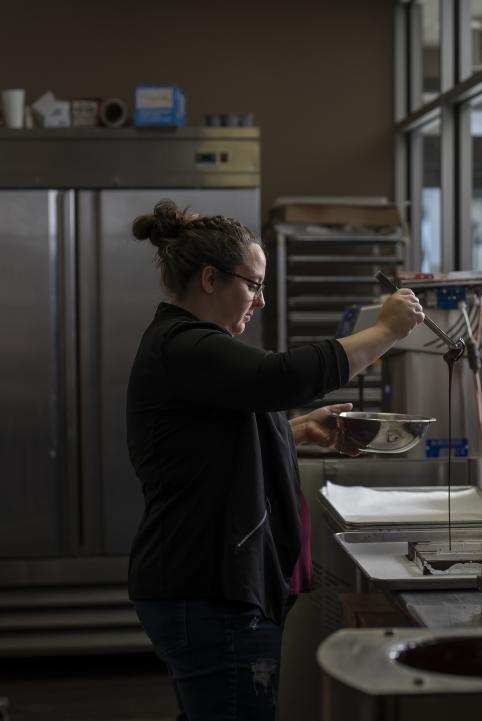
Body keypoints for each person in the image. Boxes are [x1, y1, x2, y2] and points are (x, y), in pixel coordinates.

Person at [126, 199, 423, 720]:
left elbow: (207, 444)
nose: (260, 301)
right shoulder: (185, 344)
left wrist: (296, 429)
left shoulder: (184, 346)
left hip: (204, 585)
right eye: (254, 285)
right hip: (207, 589)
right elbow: (278, 378)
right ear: (211, 279)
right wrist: (386, 330)